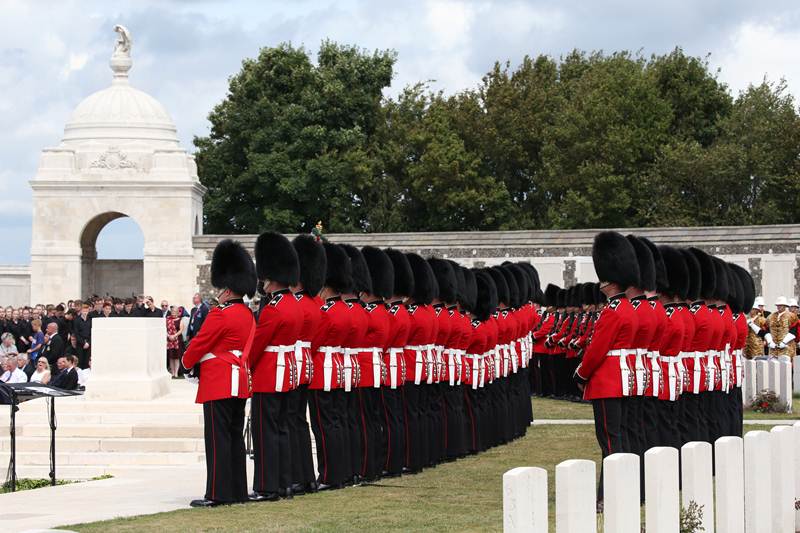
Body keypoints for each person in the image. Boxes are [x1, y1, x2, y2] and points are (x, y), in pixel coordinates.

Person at [181, 239, 257, 508]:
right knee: (234, 437)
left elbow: (200, 344)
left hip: (218, 380)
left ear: (227, 289)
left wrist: (186, 362)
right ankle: (236, 490)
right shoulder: (248, 315)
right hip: (239, 381)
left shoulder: (220, 314)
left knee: (217, 439)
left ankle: (217, 492)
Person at [573, 231, 640, 507]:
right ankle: (616, 491)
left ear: (611, 279)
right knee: (619, 437)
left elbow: (597, 350)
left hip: (607, 382)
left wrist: (580, 374)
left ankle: (609, 495)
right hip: (624, 378)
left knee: (609, 441)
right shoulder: (628, 309)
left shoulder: (612, 312)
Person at [249, 232, 304, 501]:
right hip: (289, 372)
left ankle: (267, 486)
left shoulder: (273, 309)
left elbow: (258, 344)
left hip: (269, 374)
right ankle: (285, 483)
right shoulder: (294, 305)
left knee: (265, 433)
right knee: (283, 429)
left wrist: (246, 366)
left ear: (271, 278)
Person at [166, 307, 184, 378]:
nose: (173, 312)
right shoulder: (168, 320)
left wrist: (174, 335)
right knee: (171, 357)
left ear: (177, 312)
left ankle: (176, 373)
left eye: (175, 311)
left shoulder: (180, 320)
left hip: (177, 340)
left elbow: (181, 330)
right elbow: (165, 329)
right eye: (172, 311)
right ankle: (172, 372)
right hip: (169, 340)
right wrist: (168, 335)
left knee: (176, 357)